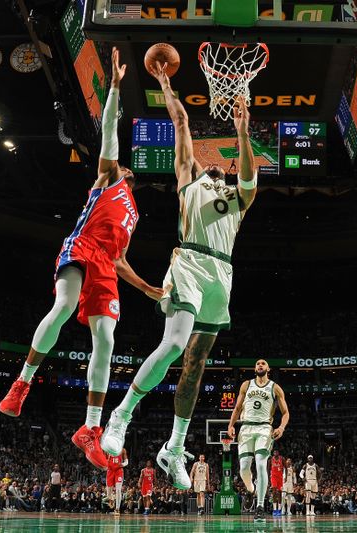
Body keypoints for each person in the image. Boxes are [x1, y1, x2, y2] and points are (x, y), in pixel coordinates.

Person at [0, 47, 163, 472]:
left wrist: (147, 288)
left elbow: (121, 260)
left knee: (106, 341)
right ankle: (23, 383)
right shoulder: (106, 179)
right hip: (80, 247)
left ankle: (89, 428)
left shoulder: (134, 213)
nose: (121, 164)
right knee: (64, 305)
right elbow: (110, 132)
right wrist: (113, 89)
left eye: (125, 166)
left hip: (106, 264)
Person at [100, 57, 260, 492]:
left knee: (196, 364)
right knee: (173, 344)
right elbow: (182, 122)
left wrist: (244, 132)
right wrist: (166, 83)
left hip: (221, 276)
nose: (213, 166)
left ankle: (173, 448)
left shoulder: (238, 199)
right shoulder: (189, 181)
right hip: (188, 261)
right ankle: (121, 415)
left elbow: (249, 175)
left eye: (219, 166)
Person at [227, 359, 290, 519]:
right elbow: (237, 408)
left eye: (263, 363)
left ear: (268, 368)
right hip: (246, 427)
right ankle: (250, 490)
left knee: (261, 465)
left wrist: (281, 427)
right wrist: (231, 425)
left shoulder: (275, 387)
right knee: (244, 469)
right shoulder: (246, 385)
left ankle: (260, 506)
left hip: (264, 428)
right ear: (255, 368)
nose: (260, 365)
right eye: (257, 364)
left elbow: (286, 413)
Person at [106, 448, 127, 515]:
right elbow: (104, 459)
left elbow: (126, 461)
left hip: (119, 471)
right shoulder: (107, 449)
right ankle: (112, 502)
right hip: (110, 471)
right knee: (108, 494)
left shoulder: (122, 450)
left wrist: (122, 464)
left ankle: (117, 509)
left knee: (118, 490)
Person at [270, 450, 284, 516]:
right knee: (274, 492)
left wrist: (285, 476)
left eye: (276, 452)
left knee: (280, 493)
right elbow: (268, 469)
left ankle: (279, 509)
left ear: (278, 453)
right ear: (273, 453)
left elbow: (286, 468)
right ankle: (275, 509)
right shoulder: (271, 459)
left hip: (280, 478)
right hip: (273, 477)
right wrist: (267, 476)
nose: (275, 453)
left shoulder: (282, 459)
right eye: (274, 452)